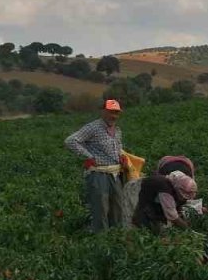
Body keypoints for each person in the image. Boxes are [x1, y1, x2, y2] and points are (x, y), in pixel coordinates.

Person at [65, 99, 129, 232]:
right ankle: (101, 238)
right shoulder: (93, 127)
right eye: (111, 112)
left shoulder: (117, 130)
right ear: (103, 112)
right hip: (98, 173)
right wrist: (88, 156)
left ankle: (116, 235)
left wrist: (121, 155)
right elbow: (71, 141)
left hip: (115, 173)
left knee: (117, 206)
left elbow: (118, 146)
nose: (114, 116)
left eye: (116, 113)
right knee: (101, 207)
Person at [133, 170, 198, 232]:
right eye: (182, 196)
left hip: (150, 195)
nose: (184, 199)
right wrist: (188, 229)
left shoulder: (179, 180)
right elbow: (173, 217)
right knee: (137, 220)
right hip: (135, 191)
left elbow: (183, 202)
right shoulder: (166, 191)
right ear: (177, 189)